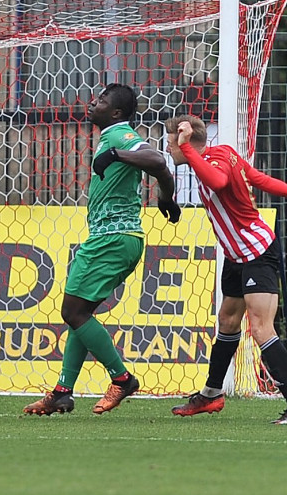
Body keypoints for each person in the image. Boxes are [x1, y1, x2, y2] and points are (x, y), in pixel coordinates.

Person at [24, 83, 181, 415]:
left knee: (72, 312)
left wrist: (117, 154)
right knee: (81, 315)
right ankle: (63, 392)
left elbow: (156, 158)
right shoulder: (112, 135)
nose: (93, 103)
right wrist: (167, 198)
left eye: (101, 101)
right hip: (119, 239)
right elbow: (162, 171)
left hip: (112, 239)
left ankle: (121, 378)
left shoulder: (118, 136)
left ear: (116, 112)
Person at [165, 114, 287, 424]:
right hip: (236, 256)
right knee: (228, 321)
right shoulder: (219, 156)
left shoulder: (215, 160)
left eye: (171, 142)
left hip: (256, 252)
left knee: (261, 329)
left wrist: (186, 147)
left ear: (186, 141)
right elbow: (258, 179)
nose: (169, 148)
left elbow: (218, 182)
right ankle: (211, 394)